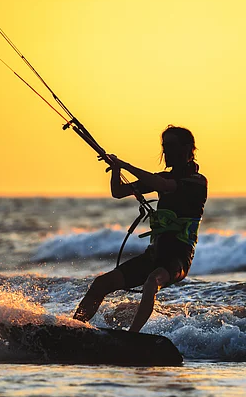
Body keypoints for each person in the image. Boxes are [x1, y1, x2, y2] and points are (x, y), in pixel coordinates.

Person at [73, 125, 207, 332]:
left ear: (188, 148)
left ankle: (132, 336)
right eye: (164, 146)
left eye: (171, 146)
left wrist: (125, 164)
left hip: (178, 259)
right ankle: (74, 329)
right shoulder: (163, 177)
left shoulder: (197, 182)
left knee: (152, 282)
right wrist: (116, 169)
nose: (166, 152)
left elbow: (163, 185)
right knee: (101, 284)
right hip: (155, 254)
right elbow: (118, 192)